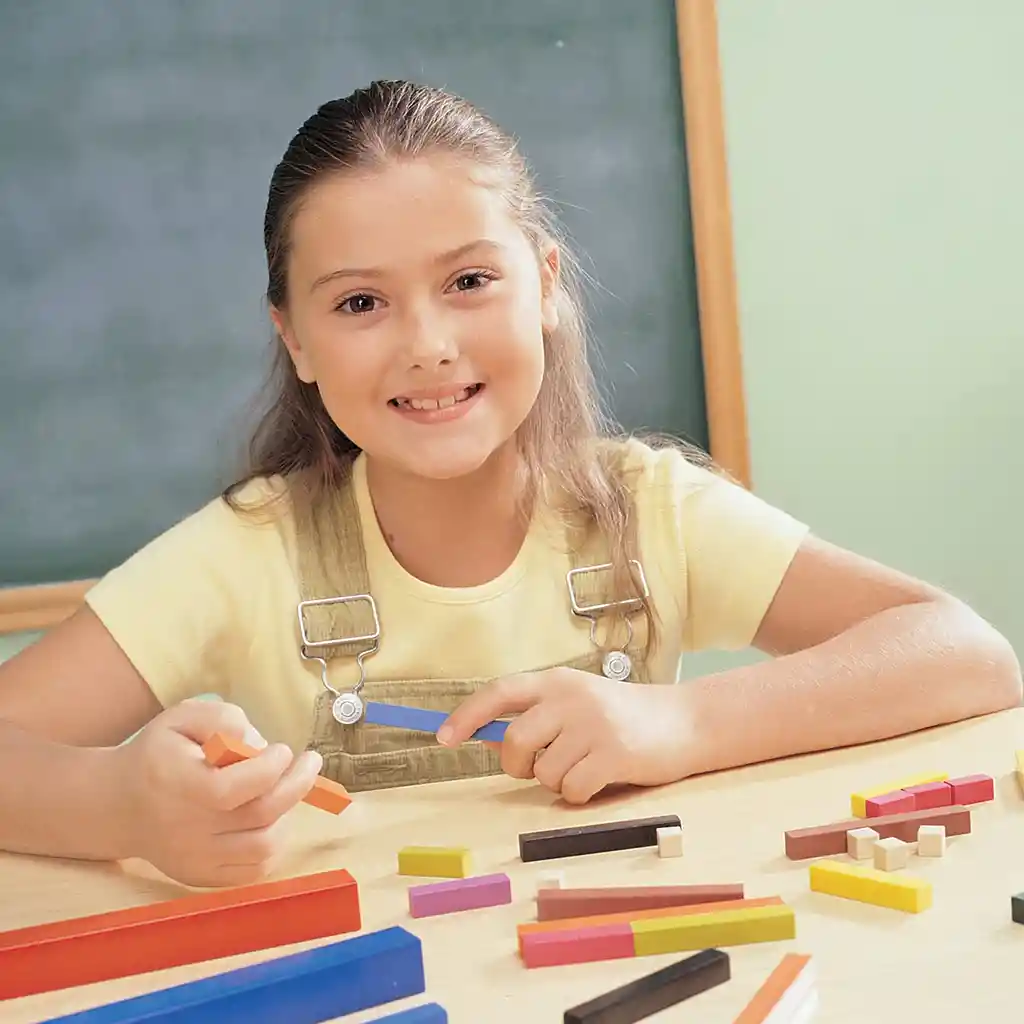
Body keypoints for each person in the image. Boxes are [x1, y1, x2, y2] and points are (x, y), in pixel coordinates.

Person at [0, 81, 1018, 889]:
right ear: (293, 338)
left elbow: (965, 654)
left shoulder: (645, 510)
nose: (429, 346)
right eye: (360, 302)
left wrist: (683, 723)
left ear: (546, 284)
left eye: (469, 282)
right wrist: (118, 804)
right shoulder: (242, 554)